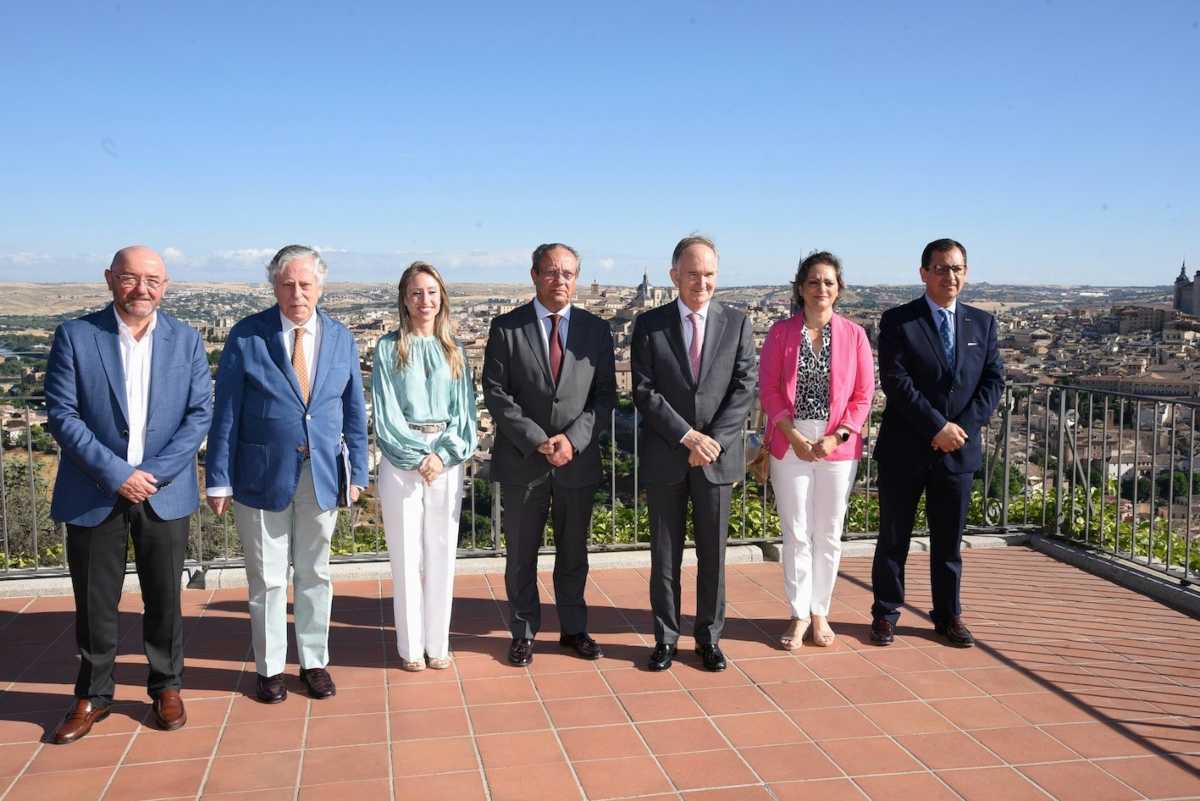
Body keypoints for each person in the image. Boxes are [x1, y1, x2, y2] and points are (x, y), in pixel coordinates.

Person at [44, 246, 212, 743]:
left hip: (163, 492)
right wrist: (117, 472)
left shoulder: (187, 340)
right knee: (95, 602)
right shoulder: (76, 335)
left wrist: (151, 475)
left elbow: (198, 415)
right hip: (95, 491)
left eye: (152, 280)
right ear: (110, 279)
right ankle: (93, 694)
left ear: (166, 284)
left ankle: (166, 686)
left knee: (165, 598)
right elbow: (63, 415)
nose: (142, 289)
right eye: (131, 278)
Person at [206, 245, 369, 701]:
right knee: (268, 579)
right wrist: (217, 476)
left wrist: (356, 471)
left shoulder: (341, 338)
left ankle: (315, 662)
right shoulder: (247, 336)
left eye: (306, 284)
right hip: (259, 476)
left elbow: (353, 411)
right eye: (287, 284)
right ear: (273, 285)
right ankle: (270, 667)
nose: (297, 293)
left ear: (321, 286)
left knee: (316, 574)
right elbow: (227, 413)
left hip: (322, 474)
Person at [482, 243, 617, 666]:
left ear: (578, 278)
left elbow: (605, 396)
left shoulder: (596, 331)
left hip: (576, 460)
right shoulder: (506, 328)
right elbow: (496, 394)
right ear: (534, 275)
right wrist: (540, 439)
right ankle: (523, 631)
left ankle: (574, 629)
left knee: (574, 551)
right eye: (552, 272)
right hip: (525, 459)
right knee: (521, 554)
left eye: (569, 273)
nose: (561, 280)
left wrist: (572, 440)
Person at [870, 238, 1004, 647]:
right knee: (894, 538)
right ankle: (886, 614)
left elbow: (993, 381)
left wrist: (958, 429)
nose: (951, 276)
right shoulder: (898, 321)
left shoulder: (983, 324)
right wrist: (936, 427)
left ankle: (949, 615)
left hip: (957, 451)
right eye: (942, 268)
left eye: (958, 268)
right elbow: (896, 382)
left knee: (949, 542)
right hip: (905, 448)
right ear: (924, 273)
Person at [631, 235, 756, 671]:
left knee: (713, 558)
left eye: (708, 274)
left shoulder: (738, 323)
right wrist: (688, 437)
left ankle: (709, 638)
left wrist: (713, 441)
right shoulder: (649, 325)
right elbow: (644, 392)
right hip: (669, 455)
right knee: (664, 556)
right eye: (692, 274)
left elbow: (744, 388)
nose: (700, 282)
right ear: (674, 276)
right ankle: (665, 638)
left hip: (716, 459)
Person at [759, 251, 873, 649]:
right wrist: (792, 435)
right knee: (796, 532)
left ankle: (820, 611)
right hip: (790, 441)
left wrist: (837, 436)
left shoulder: (855, 336)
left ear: (838, 289)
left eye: (828, 282)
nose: (821, 288)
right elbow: (770, 389)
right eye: (813, 281)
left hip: (836, 446)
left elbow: (863, 396)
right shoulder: (780, 333)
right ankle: (798, 613)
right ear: (801, 289)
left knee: (828, 532)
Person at [373, 262, 477, 672]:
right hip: (403, 459)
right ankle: (411, 647)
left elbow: (465, 414)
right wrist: (418, 455)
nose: (425, 301)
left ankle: (438, 644)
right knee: (405, 555)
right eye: (417, 293)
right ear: (404, 298)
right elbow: (385, 413)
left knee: (441, 554)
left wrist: (443, 455)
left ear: (442, 298)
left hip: (445, 459)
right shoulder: (387, 348)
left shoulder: (455, 350)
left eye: (431, 292)